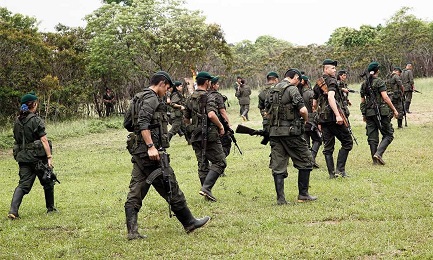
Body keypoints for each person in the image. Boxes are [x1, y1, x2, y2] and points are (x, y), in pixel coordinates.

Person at [123, 71, 210, 240]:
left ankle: (132, 232)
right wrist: (150, 146)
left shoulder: (137, 97)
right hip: (151, 153)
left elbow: (127, 123)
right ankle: (190, 222)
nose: (167, 92)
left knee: (136, 190)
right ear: (161, 83)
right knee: (170, 185)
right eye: (167, 88)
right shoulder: (151, 98)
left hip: (139, 152)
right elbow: (142, 122)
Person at [266, 68, 317, 205]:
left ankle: (281, 199)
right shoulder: (292, 89)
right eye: (298, 79)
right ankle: (303, 194)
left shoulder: (271, 90)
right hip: (291, 132)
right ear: (294, 77)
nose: (299, 82)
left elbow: (267, 112)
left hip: (275, 133)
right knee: (306, 160)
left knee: (278, 165)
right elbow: (303, 109)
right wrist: (305, 120)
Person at [8, 92, 57, 219]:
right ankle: (50, 208)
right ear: (34, 105)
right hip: (37, 158)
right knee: (48, 180)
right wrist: (49, 157)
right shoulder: (36, 120)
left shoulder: (17, 121)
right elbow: (44, 140)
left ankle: (13, 211)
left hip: (23, 158)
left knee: (23, 185)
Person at [184, 71, 227, 202]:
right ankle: (206, 188)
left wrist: (194, 127)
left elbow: (186, 119)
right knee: (220, 162)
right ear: (207, 82)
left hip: (195, 135)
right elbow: (211, 115)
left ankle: (206, 193)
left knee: (202, 163)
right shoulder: (209, 97)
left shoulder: (190, 98)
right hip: (210, 134)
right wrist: (220, 126)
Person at [313, 59, 353, 178]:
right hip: (333, 118)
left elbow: (314, 104)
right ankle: (340, 170)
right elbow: (331, 97)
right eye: (332, 68)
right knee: (347, 142)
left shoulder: (318, 83)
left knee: (328, 146)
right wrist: (337, 114)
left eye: (335, 68)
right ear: (325, 69)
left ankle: (331, 174)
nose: (335, 70)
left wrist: (318, 118)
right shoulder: (331, 81)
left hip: (323, 118)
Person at [360, 62, 399, 165]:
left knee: (372, 137)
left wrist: (364, 114)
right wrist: (394, 109)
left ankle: (375, 161)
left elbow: (362, 101)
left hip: (369, 113)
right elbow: (385, 97)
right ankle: (378, 154)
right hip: (381, 112)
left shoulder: (364, 84)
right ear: (377, 71)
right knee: (388, 134)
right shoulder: (379, 82)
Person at [300, 75, 321, 168]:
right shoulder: (310, 93)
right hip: (311, 120)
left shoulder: (296, 93)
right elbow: (314, 107)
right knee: (318, 139)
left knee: (306, 142)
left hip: (300, 120)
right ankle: (311, 159)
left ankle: (307, 161)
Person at [209, 76, 232, 157]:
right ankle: (216, 164)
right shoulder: (217, 95)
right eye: (217, 84)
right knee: (225, 145)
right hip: (218, 123)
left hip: (206, 126)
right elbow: (222, 112)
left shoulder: (204, 95)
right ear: (213, 85)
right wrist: (228, 124)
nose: (218, 86)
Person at [258, 71, 279, 136]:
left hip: (267, 121)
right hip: (280, 121)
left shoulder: (262, 93)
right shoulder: (280, 90)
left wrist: (266, 117)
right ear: (276, 79)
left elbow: (261, 108)